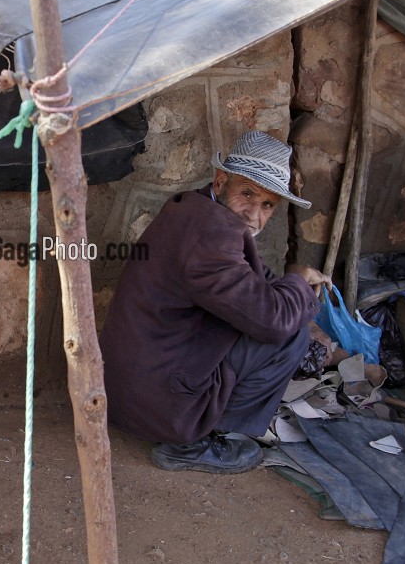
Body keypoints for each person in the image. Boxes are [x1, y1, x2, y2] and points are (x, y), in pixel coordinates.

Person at [102, 131, 328, 474]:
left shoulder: (194, 207)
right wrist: (297, 280)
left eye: (267, 205)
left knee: (279, 316)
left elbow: (252, 278)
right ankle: (191, 443)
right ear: (221, 181)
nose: (253, 214)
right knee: (289, 335)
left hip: (132, 383)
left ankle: (194, 425)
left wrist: (290, 289)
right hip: (155, 399)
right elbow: (273, 321)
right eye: (247, 194)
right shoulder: (213, 233)